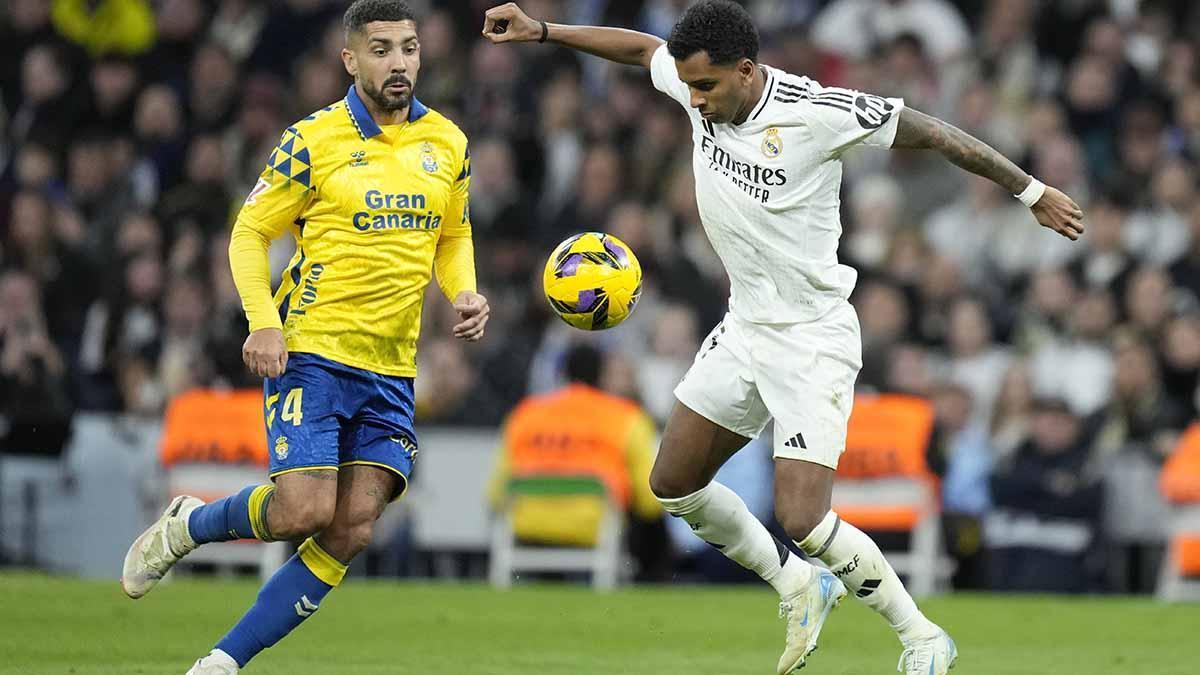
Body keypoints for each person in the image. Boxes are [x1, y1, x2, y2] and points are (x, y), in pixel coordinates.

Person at [481, 2, 1084, 674]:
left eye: (707, 87)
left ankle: (921, 636)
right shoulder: (693, 82)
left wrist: (1030, 191)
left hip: (812, 336)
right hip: (745, 325)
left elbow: (936, 133)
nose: (696, 101)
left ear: (747, 70)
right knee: (673, 483)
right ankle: (797, 583)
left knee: (805, 517)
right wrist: (544, 30)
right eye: (689, 87)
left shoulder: (817, 113)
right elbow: (637, 49)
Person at [119, 2, 489, 673]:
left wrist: (462, 288)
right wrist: (263, 320)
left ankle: (221, 662)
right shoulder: (311, 139)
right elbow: (250, 231)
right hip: (313, 351)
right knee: (302, 509)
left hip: (392, 368)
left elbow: (454, 233)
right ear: (350, 59)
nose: (400, 62)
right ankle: (189, 524)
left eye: (409, 47)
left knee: (351, 526)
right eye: (381, 49)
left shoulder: (450, 143)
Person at [487, 344, 662, 570]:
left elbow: (495, 492)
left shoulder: (525, 414)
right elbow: (650, 502)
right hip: (593, 526)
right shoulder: (626, 417)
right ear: (601, 375)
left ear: (563, 373)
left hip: (530, 523)